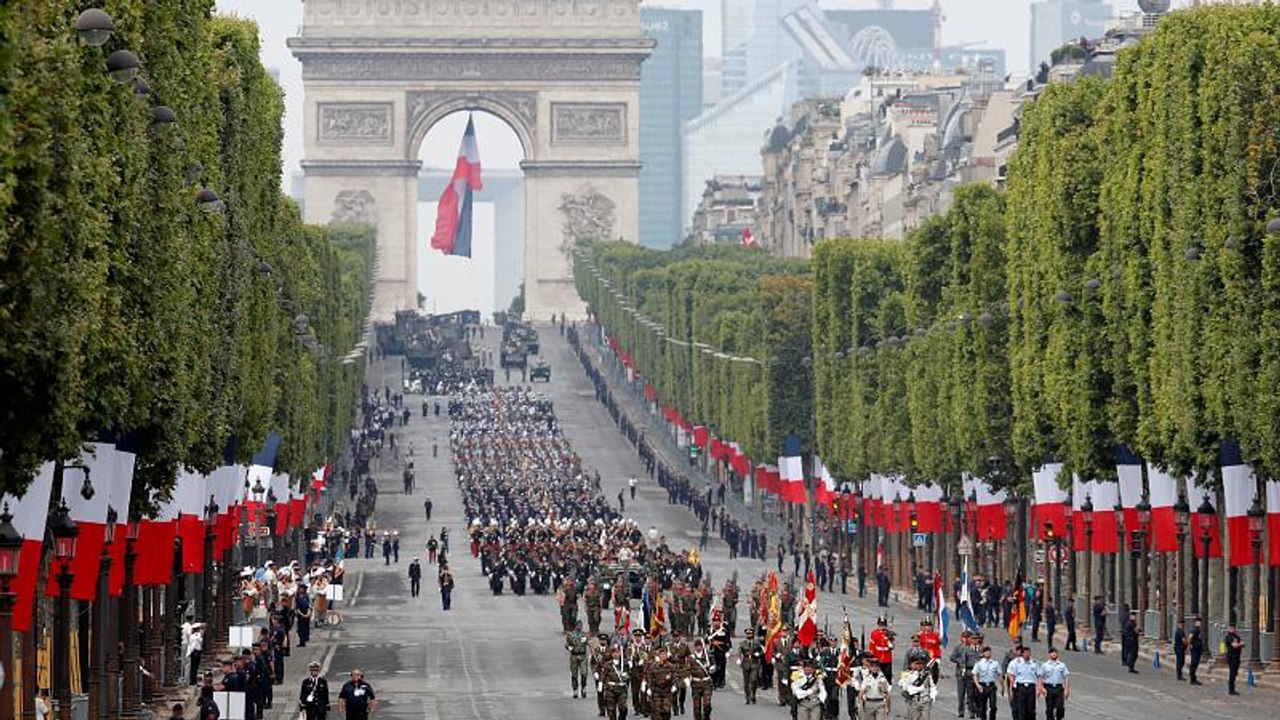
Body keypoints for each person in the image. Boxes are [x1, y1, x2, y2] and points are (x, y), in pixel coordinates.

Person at [950, 631, 979, 719]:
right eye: (964, 637)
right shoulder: (958, 647)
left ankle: (971, 712)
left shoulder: (974, 648)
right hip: (960, 673)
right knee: (961, 694)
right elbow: (952, 657)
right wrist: (959, 661)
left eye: (967, 637)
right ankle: (961, 711)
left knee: (970, 694)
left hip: (970, 673)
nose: (965, 639)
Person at [596, 643, 630, 720]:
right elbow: (603, 674)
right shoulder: (608, 665)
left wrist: (626, 674)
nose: (616, 654)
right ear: (611, 654)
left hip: (621, 688)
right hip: (610, 689)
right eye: (614, 652)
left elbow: (629, 675)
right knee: (611, 710)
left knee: (623, 708)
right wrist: (601, 683)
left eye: (618, 652)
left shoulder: (624, 664)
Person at [1004, 646, 1039, 720]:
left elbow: (1039, 675)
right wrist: (1012, 686)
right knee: (1021, 708)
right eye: (1025, 653)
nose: (1027, 654)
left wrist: (1039, 688)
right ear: (1022, 654)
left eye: (1028, 652)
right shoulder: (1016, 662)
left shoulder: (1034, 663)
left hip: (1031, 687)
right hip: (1020, 687)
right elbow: (1010, 674)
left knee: (1030, 709)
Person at [898, 655, 936, 720]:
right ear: (910, 664)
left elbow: (932, 686)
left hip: (925, 701)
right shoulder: (906, 674)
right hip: (913, 701)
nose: (919, 665)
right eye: (916, 663)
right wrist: (920, 689)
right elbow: (906, 688)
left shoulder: (927, 674)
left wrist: (932, 696)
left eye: (921, 664)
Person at [971, 645, 1001, 720]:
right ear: (983, 654)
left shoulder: (995, 663)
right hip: (982, 686)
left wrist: (1002, 687)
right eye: (986, 652)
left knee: (993, 705)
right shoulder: (979, 663)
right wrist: (977, 685)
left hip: (991, 686)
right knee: (983, 706)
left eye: (989, 652)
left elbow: (999, 675)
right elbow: (974, 675)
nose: (988, 653)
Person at [1038, 647, 1068, 720]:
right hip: (1048, 688)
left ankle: (1059, 717)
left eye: (1055, 653)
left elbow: (1066, 677)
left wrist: (1066, 689)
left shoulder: (1062, 665)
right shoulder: (1045, 665)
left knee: (1060, 707)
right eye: (1052, 653)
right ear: (1049, 654)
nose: (1054, 654)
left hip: (1059, 688)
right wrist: (1041, 688)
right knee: (1049, 709)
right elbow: (1041, 677)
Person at [737, 627, 763, 704]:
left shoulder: (757, 643)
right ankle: (747, 697)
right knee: (746, 681)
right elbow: (739, 651)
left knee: (753, 679)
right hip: (746, 662)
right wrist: (738, 658)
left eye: (750, 633)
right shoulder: (743, 643)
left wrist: (759, 654)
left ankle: (753, 694)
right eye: (747, 633)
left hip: (754, 662)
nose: (749, 635)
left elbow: (761, 651)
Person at [565, 621, 590, 699]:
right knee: (574, 674)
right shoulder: (570, 635)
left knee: (584, 673)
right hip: (574, 656)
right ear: (575, 626)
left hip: (583, 656)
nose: (580, 627)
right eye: (578, 625)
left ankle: (583, 688)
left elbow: (588, 643)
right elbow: (567, 644)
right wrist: (569, 648)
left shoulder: (584, 635)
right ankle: (575, 689)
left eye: (581, 625)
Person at [1223, 622, 1244, 695]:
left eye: (1233, 628)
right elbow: (1235, 645)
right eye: (1230, 628)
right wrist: (1239, 644)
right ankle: (1231, 689)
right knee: (1232, 673)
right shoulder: (1228, 637)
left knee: (1235, 672)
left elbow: (1242, 643)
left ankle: (1233, 687)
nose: (1232, 629)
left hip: (1237, 656)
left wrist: (1240, 644)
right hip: (1232, 656)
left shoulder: (1236, 636)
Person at [1188, 617, 1205, 685]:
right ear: (1195, 623)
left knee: (1195, 663)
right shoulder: (1195, 630)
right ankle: (1192, 679)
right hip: (1195, 649)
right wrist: (1189, 645)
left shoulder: (1198, 630)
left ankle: (1193, 678)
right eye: (1198, 622)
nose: (1199, 623)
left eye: (1200, 622)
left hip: (1197, 649)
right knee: (1194, 663)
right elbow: (1190, 637)